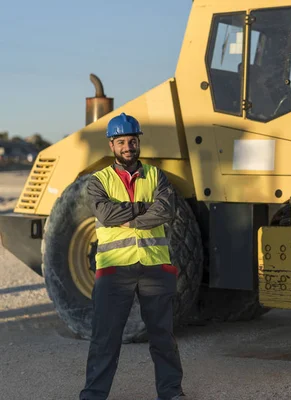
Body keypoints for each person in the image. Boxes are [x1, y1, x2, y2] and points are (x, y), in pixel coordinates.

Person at [79, 112, 185, 400]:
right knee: (105, 339)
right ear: (111, 145)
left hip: (155, 267)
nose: (128, 146)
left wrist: (129, 217)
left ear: (139, 143)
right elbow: (105, 213)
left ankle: (171, 392)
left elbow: (165, 211)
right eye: (122, 141)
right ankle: (93, 395)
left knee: (163, 337)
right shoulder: (97, 181)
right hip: (114, 270)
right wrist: (143, 208)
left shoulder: (156, 175)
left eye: (133, 141)